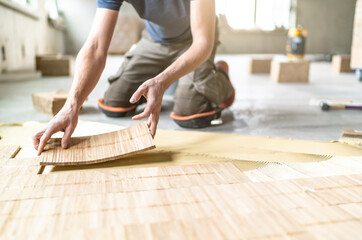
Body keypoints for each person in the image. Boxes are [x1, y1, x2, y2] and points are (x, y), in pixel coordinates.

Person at [33, 0, 234, 155]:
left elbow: (202, 44)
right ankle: (167, 76)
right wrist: (71, 106)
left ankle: (220, 78)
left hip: (194, 41)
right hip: (155, 40)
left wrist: (161, 81)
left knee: (190, 113)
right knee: (114, 104)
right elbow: (95, 48)